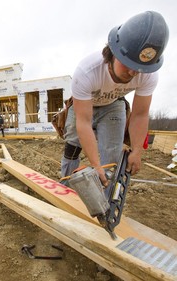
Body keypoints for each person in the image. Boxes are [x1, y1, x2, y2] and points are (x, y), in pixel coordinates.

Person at [61, 11, 169, 186]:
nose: (134, 73)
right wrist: (95, 165)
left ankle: (104, 198)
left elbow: (140, 115)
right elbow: (84, 122)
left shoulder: (148, 75)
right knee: (72, 145)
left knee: (111, 156)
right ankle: (64, 188)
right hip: (84, 105)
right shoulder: (87, 72)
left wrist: (136, 151)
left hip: (113, 104)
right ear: (114, 53)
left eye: (141, 68)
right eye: (129, 64)